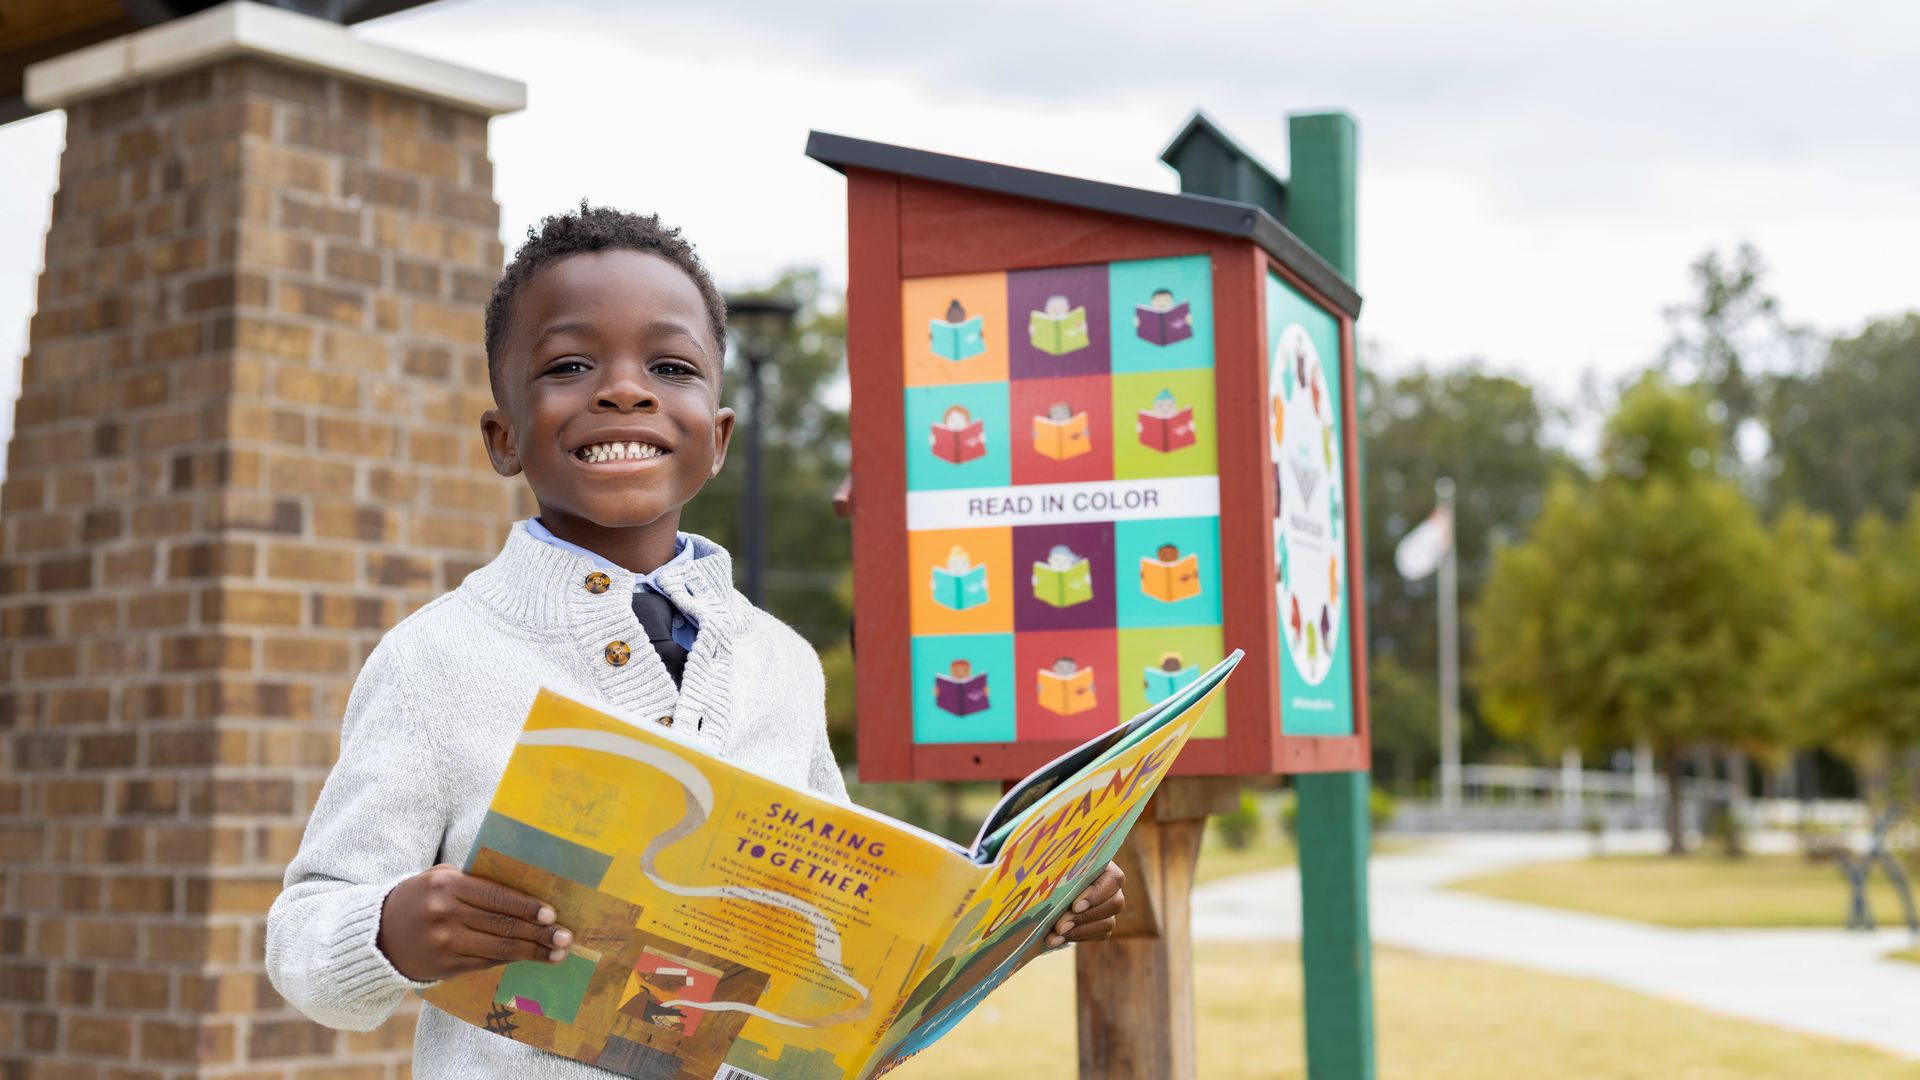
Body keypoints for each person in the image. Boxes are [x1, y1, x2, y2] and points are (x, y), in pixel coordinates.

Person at [263, 204, 1123, 1074]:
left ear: (716, 440)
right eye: (569, 364)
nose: (624, 390)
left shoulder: (778, 662)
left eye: (670, 366)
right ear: (504, 437)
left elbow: (846, 947)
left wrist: (1006, 924)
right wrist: (392, 931)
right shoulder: (433, 662)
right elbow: (302, 942)